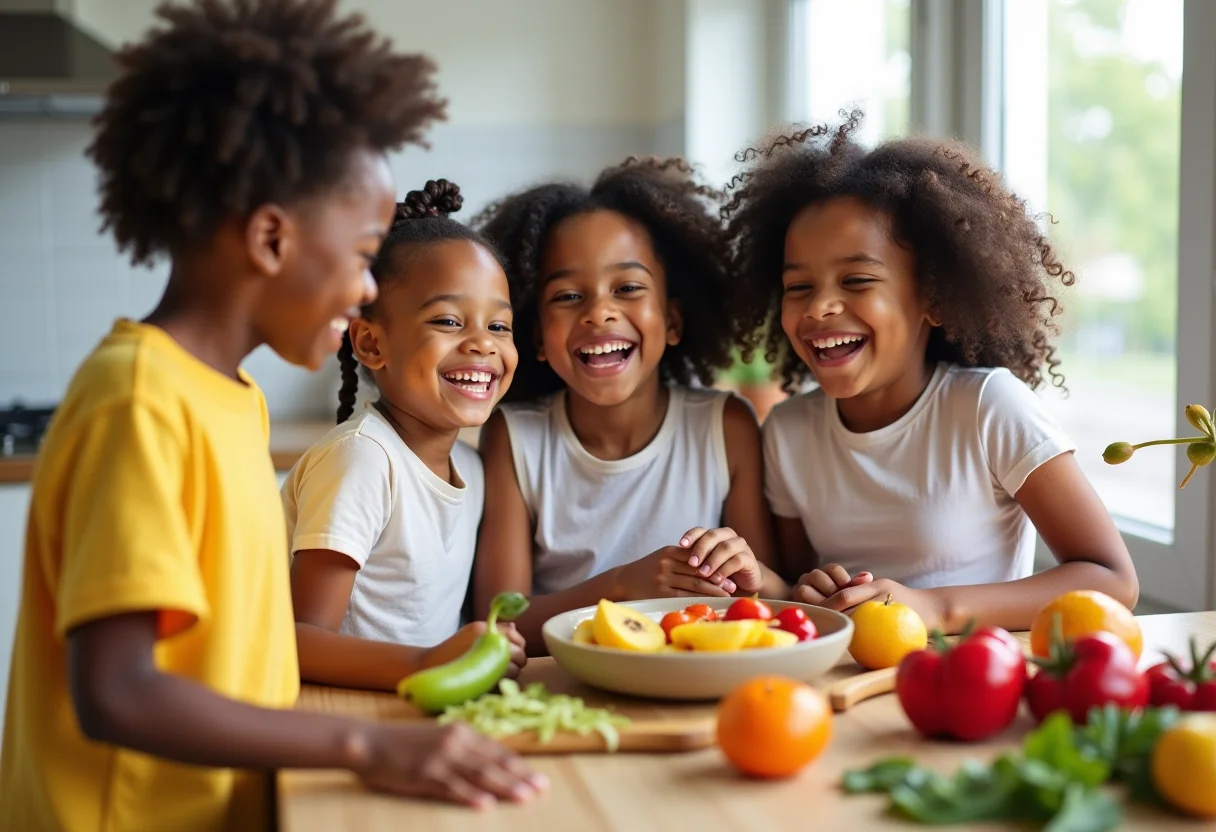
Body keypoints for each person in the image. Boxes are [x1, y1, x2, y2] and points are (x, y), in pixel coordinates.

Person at [0, 2, 544, 828]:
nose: (367, 288)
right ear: (269, 238)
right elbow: (117, 692)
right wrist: (363, 745)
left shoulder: (230, 398)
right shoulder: (139, 403)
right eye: (363, 255)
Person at [724, 109, 1138, 634]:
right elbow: (795, 586)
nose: (819, 307)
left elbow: (1113, 580)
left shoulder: (989, 407)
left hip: (973, 678)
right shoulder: (788, 431)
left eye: (856, 280)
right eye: (798, 286)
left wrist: (934, 608)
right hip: (852, 687)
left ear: (933, 299)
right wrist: (810, 591)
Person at [472, 157, 788, 652]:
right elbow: (498, 623)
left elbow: (772, 602)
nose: (599, 311)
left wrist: (754, 576)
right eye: (569, 295)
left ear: (674, 320)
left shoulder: (725, 427)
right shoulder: (514, 437)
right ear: (535, 336)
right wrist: (620, 587)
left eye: (628, 288)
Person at [282, 179, 526, 692]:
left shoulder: (475, 470)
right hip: (345, 718)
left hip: (415, 711)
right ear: (371, 343)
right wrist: (429, 662)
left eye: (500, 327)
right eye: (448, 321)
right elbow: (296, 640)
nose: (482, 344)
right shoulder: (363, 461)